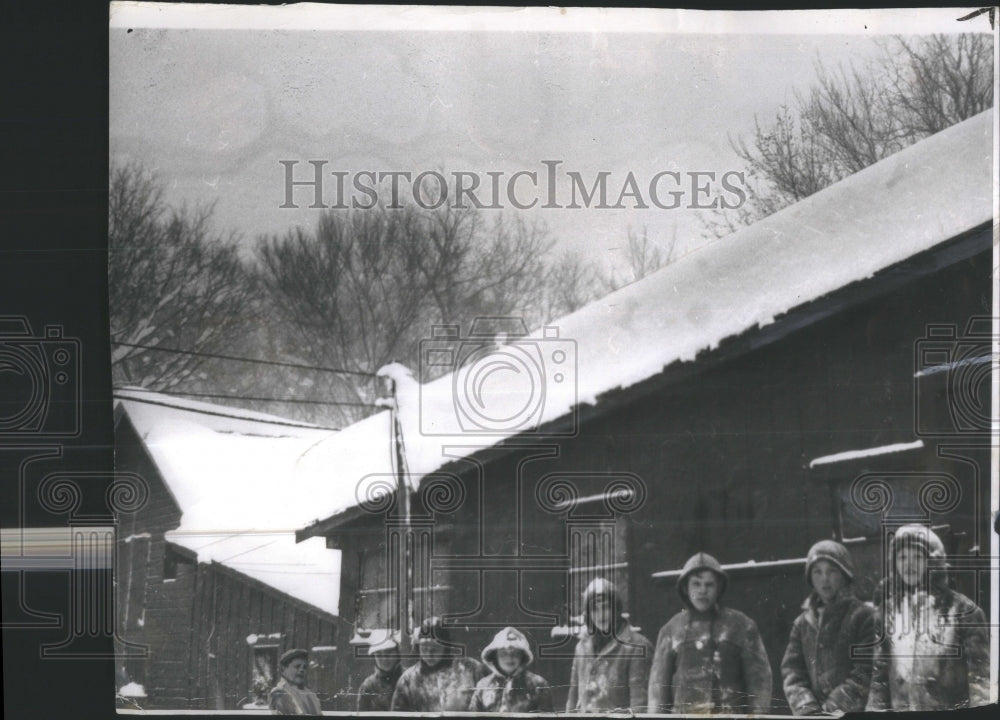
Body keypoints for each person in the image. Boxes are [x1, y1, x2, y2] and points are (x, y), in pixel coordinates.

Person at [866, 524, 989, 711]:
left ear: (933, 561)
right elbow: (879, 681)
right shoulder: (887, 613)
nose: (909, 564)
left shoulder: (964, 611)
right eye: (902, 557)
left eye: (917, 556)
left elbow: (980, 682)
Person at [648, 552, 773, 714]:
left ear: (719, 588)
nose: (702, 591)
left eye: (709, 584)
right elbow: (657, 690)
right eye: (696, 584)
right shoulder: (671, 630)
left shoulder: (742, 626)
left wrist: (758, 716)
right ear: (686, 588)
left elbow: (760, 682)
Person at [781, 540, 875, 715]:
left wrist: (832, 709)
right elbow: (792, 672)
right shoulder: (803, 623)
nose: (824, 579)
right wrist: (808, 709)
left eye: (832, 571)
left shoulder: (862, 617)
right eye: (817, 572)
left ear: (845, 574)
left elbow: (865, 671)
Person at [566, 577, 653, 713]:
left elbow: (640, 706)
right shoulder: (582, 647)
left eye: (606, 607)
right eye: (594, 609)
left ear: (616, 608)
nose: (601, 615)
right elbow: (572, 699)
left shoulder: (637, 647)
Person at [390, 616, 487, 711]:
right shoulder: (408, 680)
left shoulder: (470, 668)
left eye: (435, 648)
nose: (429, 654)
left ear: (446, 647)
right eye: (424, 648)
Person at [470, 626, 554, 712]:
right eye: (503, 653)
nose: (509, 658)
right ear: (495, 656)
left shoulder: (538, 685)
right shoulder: (483, 685)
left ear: (523, 656)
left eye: (515, 653)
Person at [356, 632, 403, 712]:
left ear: (397, 653)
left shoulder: (410, 680)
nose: (384, 659)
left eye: (388, 653)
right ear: (373, 657)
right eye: (379, 654)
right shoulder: (368, 687)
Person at [268, 648, 322, 715]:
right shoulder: (279, 692)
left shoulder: (309, 694)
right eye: (297, 666)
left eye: (304, 667)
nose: (302, 670)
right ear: (283, 668)